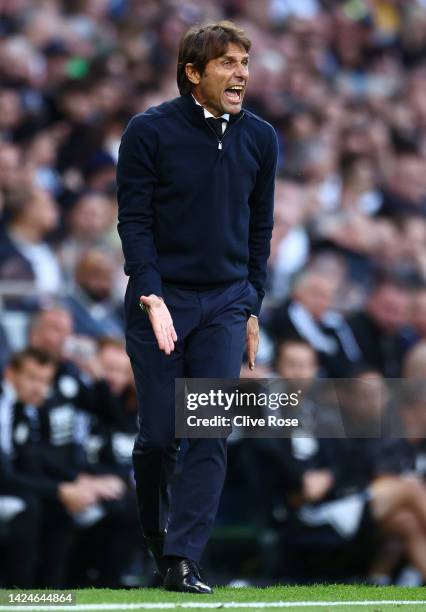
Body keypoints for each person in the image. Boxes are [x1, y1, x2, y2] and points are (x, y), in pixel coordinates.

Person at [116, 21, 278, 593]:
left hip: (227, 303)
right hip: (161, 297)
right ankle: (158, 543)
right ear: (193, 72)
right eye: (228, 63)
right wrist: (151, 294)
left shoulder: (261, 138)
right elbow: (132, 222)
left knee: (208, 429)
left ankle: (184, 560)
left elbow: (261, 229)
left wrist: (252, 303)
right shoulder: (148, 131)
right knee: (160, 435)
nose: (241, 73)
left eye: (246, 62)